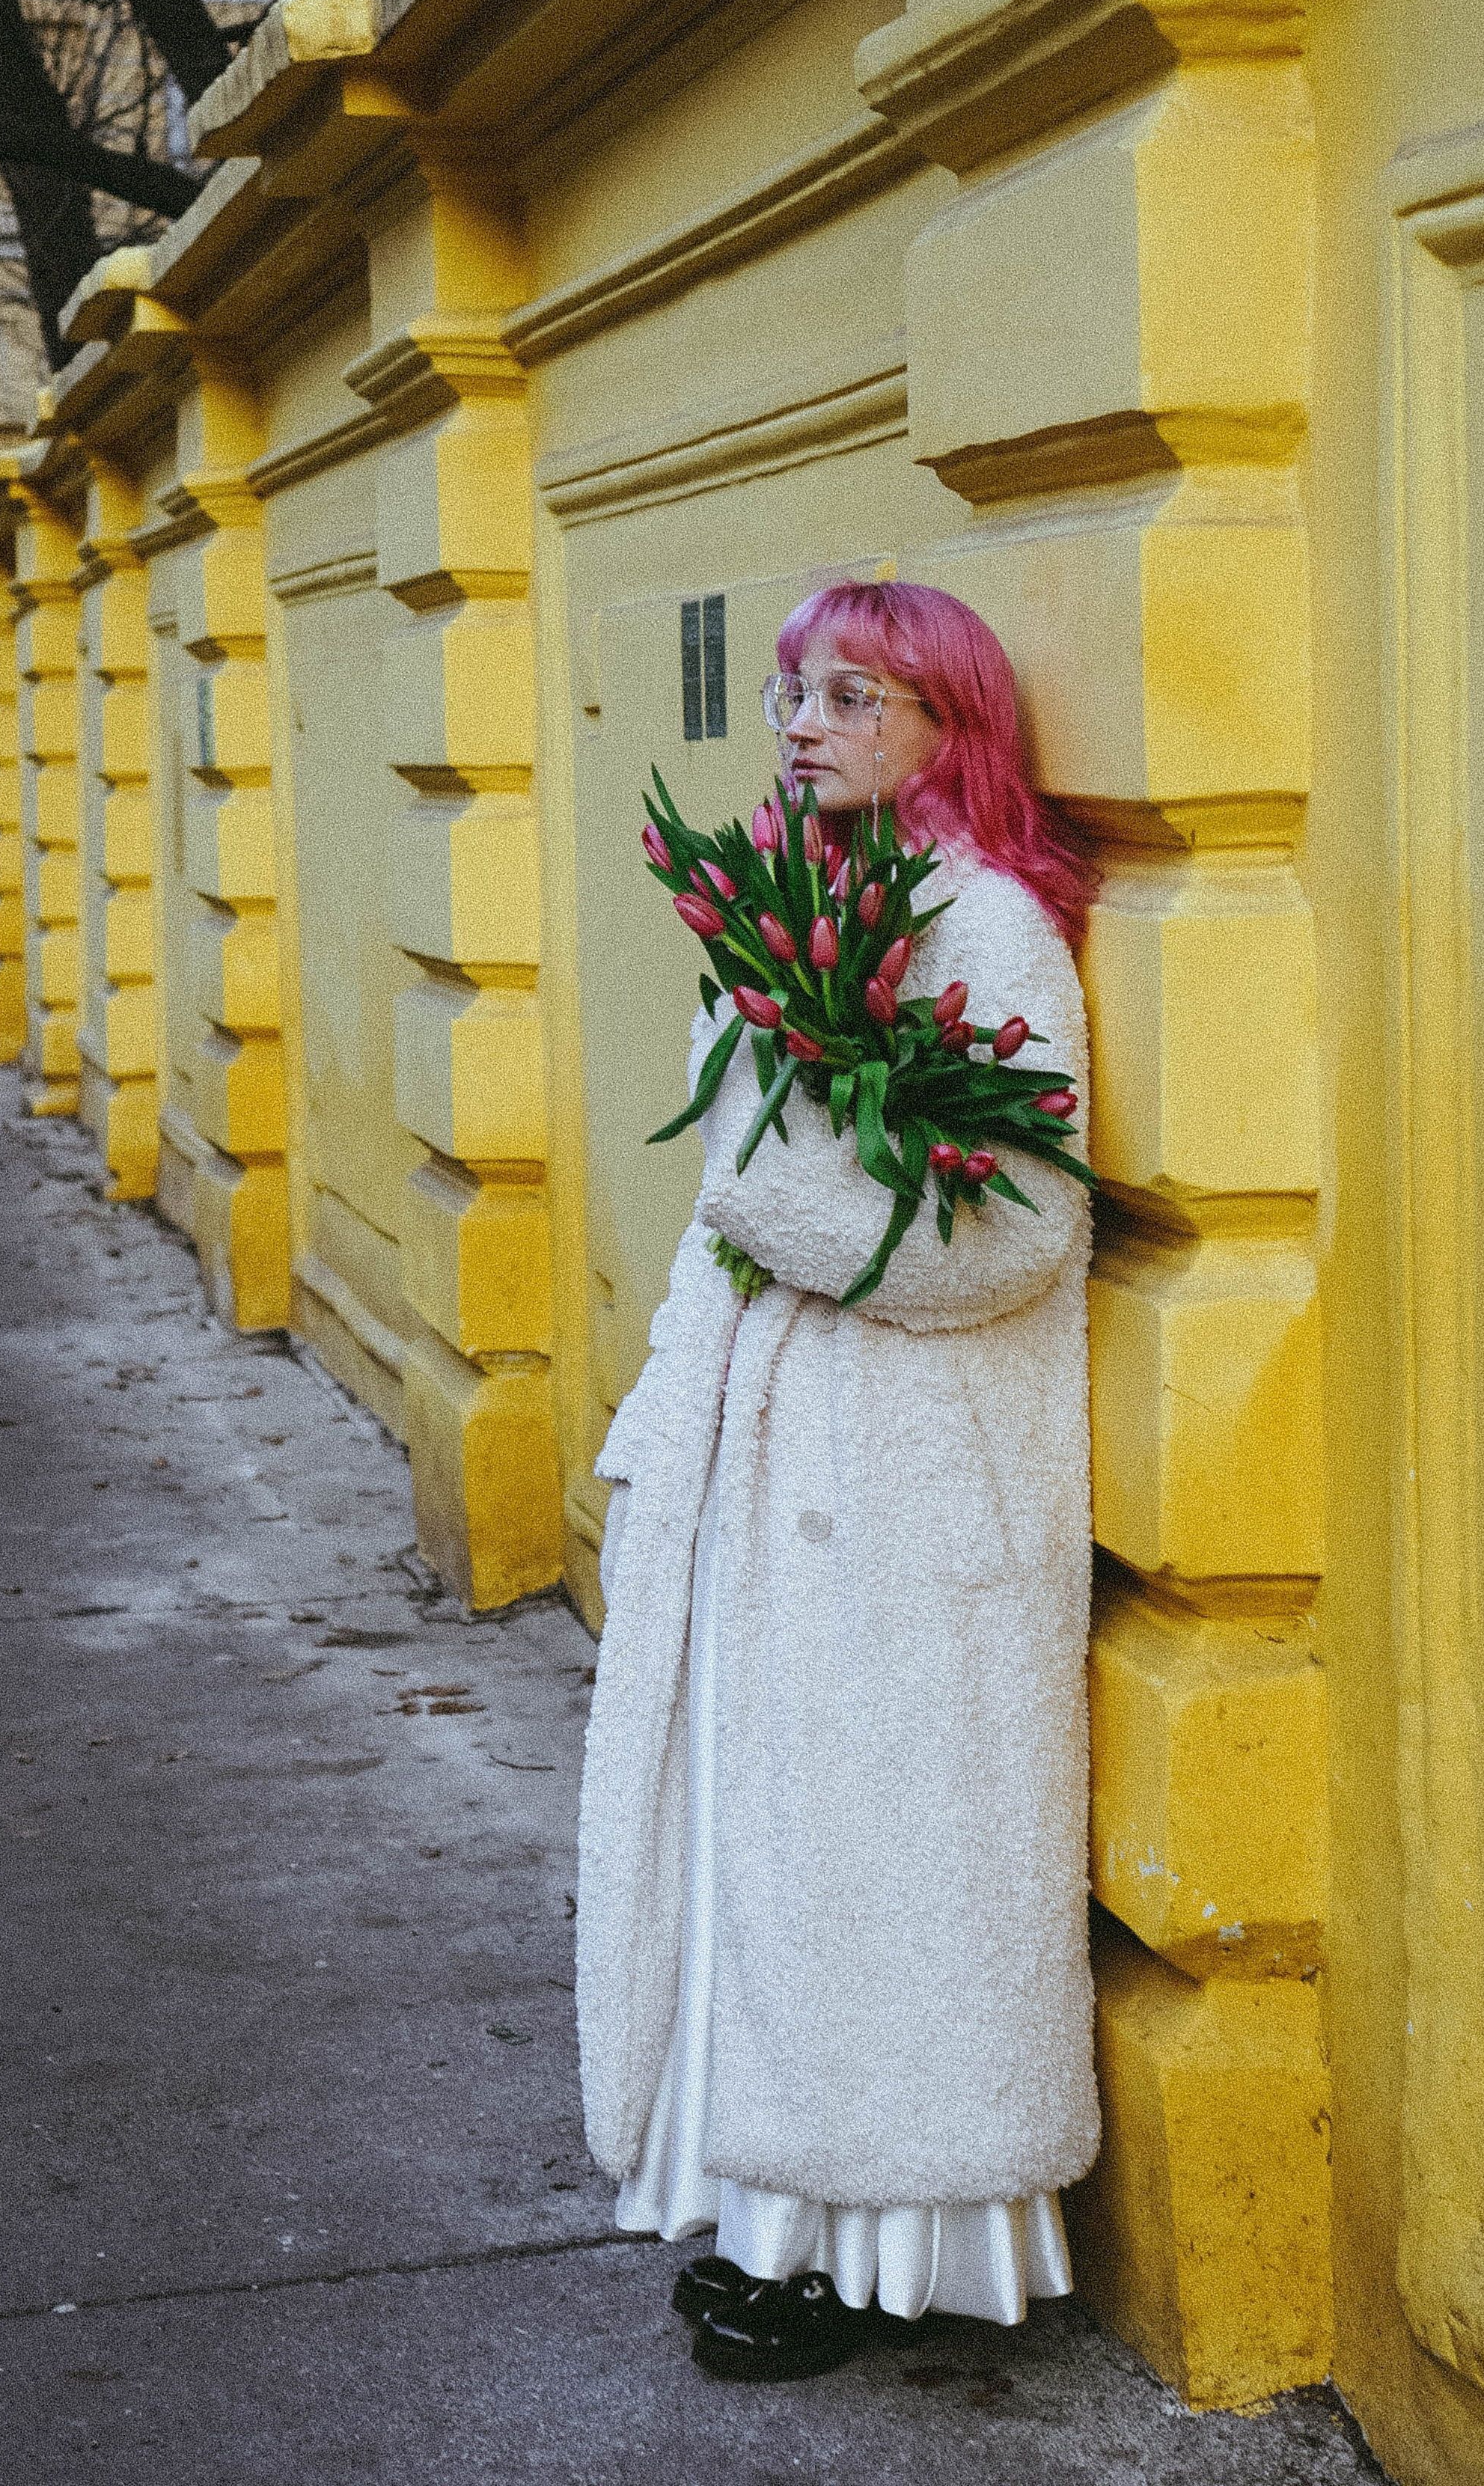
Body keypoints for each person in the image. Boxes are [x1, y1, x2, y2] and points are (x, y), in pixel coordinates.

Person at [576, 578, 1101, 2383]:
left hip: (905, 1486)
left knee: (885, 1864)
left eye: (850, 693)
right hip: (776, 1455)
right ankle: (760, 2205)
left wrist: (766, 1201)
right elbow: (740, 1204)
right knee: (777, 1849)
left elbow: (1013, 1233)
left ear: (946, 722)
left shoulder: (991, 924)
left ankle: (882, 2249)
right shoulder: (817, 908)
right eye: (795, 690)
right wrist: (665, 1420)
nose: (800, 720)